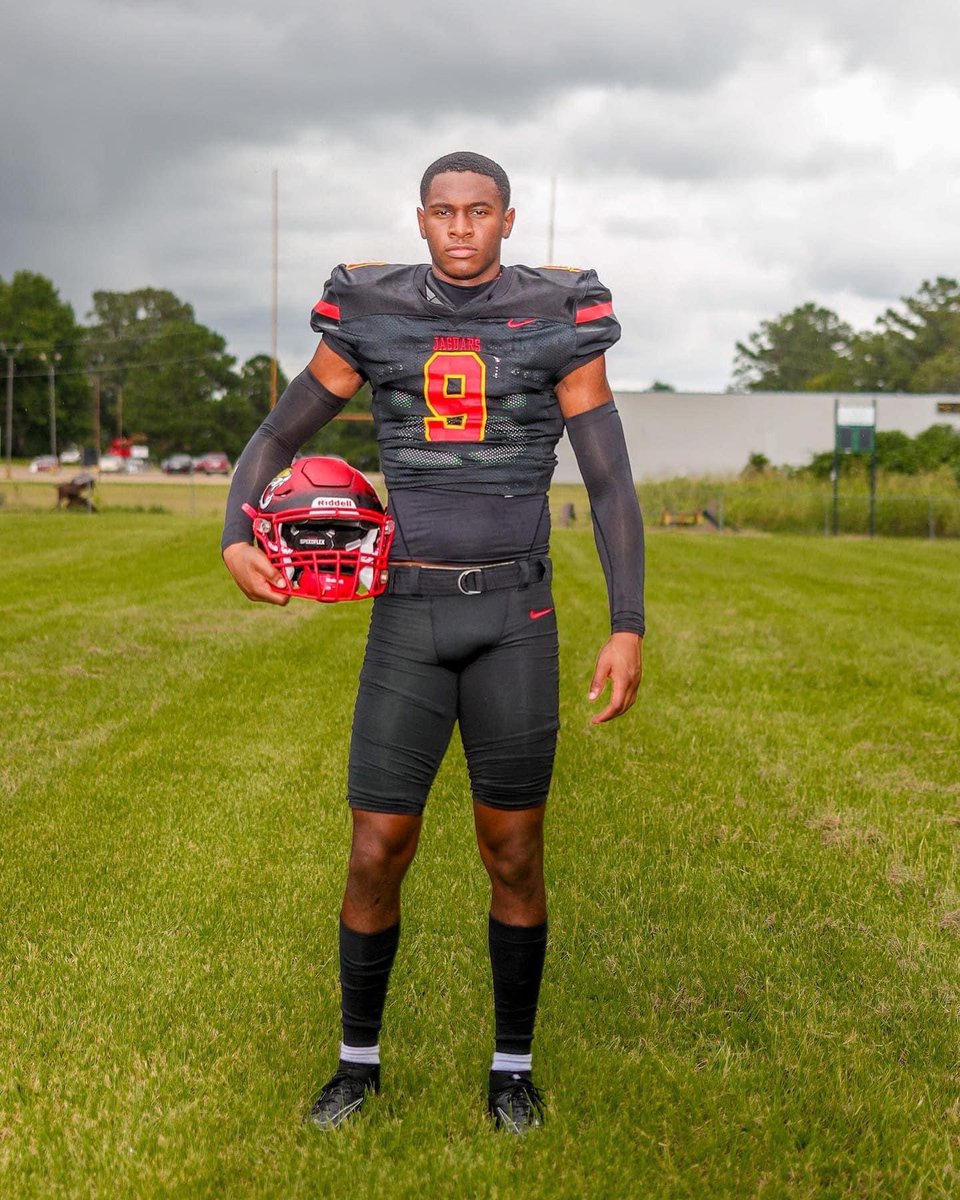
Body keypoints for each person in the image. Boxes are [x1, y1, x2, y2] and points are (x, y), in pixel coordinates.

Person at [222, 151, 645, 1134]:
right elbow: (280, 433)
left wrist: (627, 626)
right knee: (377, 845)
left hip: (515, 619)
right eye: (444, 212)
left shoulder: (561, 316)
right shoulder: (370, 314)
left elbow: (614, 484)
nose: (461, 228)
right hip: (407, 615)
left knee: (514, 851)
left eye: (479, 212)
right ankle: (357, 1063)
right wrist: (235, 533)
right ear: (420, 221)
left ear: (508, 220)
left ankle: (510, 1069)